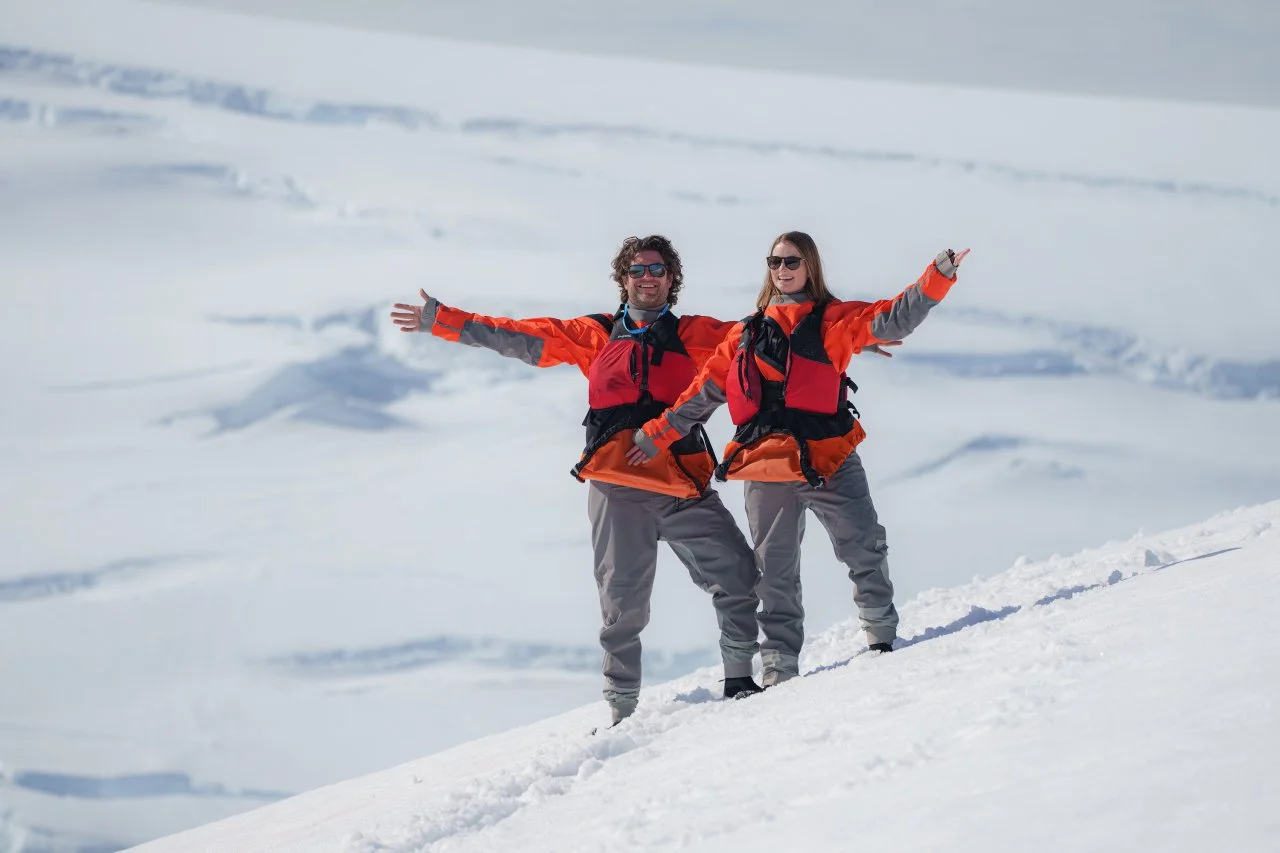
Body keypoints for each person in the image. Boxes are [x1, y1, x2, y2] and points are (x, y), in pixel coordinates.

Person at [390, 235, 764, 725]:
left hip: (681, 486)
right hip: (617, 489)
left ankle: (739, 680)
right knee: (622, 602)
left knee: (738, 573)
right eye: (637, 269)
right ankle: (622, 711)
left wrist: (848, 332)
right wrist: (444, 320)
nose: (647, 277)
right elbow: (519, 336)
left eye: (657, 270)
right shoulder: (596, 335)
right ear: (623, 278)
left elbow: (769, 338)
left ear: (672, 280)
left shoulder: (698, 333)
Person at [627, 231, 968, 686]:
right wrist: (655, 436)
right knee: (773, 574)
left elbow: (892, 319)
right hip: (766, 466)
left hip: (828, 457)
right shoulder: (745, 334)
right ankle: (779, 667)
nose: (782, 270)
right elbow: (702, 394)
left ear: (809, 265)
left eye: (790, 261)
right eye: (774, 262)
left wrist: (937, 276)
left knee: (864, 542)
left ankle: (881, 635)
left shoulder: (834, 320)